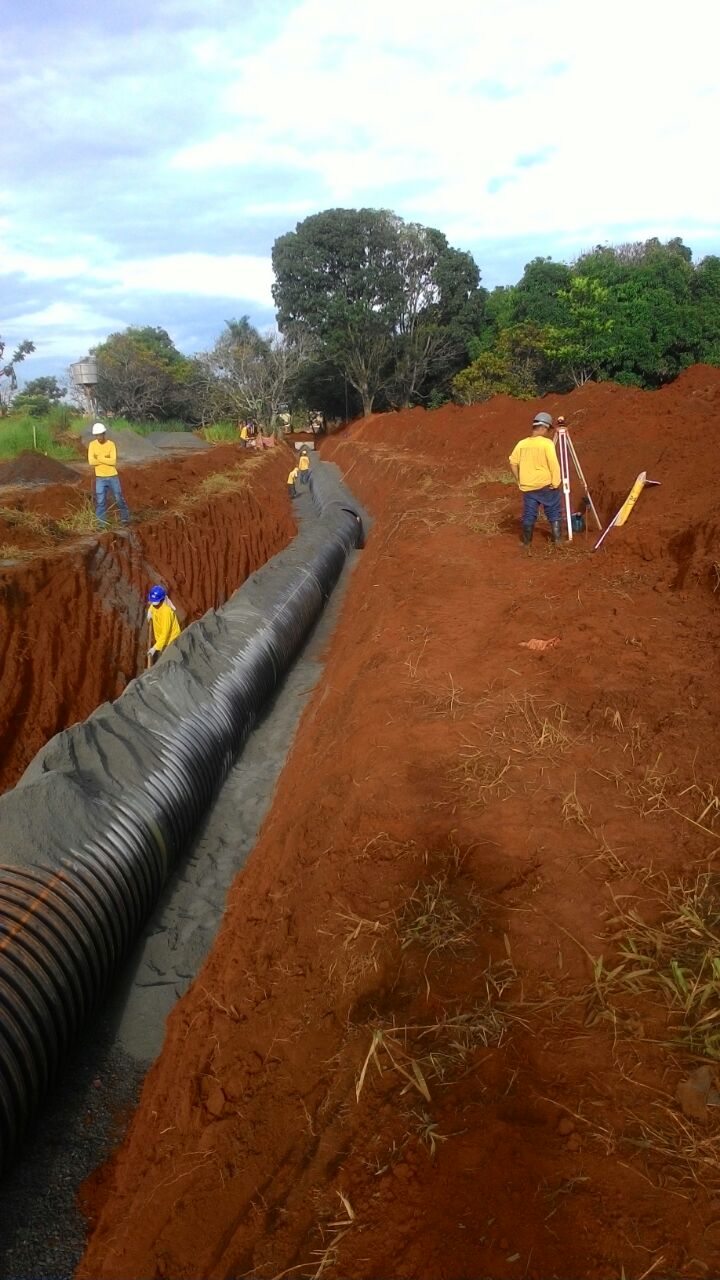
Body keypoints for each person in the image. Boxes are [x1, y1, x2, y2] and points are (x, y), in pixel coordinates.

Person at [508, 411, 562, 548]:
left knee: (529, 514)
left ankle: (527, 543)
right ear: (544, 428)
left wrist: (519, 480)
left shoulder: (521, 444)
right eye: (548, 429)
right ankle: (558, 542)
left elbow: (513, 462)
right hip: (545, 485)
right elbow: (553, 464)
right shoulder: (547, 444)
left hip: (528, 487)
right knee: (553, 511)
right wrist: (556, 482)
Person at [88, 423, 130, 526]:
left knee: (118, 498)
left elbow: (113, 461)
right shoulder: (92, 445)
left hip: (112, 476)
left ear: (104, 433)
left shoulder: (111, 444)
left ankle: (125, 519)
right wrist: (105, 458)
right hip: (100, 478)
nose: (99, 437)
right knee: (100, 501)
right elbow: (91, 462)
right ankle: (101, 524)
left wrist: (99, 458)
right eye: (97, 435)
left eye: (100, 434)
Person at [146, 585, 181, 663]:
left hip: (171, 641)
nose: (154, 605)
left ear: (162, 601)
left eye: (155, 603)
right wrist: (149, 611)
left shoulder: (166, 613)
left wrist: (155, 648)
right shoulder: (156, 605)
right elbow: (152, 605)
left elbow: (165, 633)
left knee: (168, 661)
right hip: (161, 640)